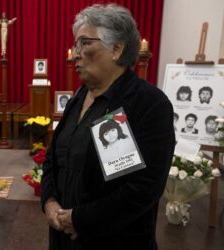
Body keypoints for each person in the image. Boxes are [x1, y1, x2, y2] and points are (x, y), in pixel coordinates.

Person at [41, 4, 175, 250]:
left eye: (84, 43)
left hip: (113, 241)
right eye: (75, 45)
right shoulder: (79, 98)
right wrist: (49, 200)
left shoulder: (149, 104)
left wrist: (80, 220)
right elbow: (53, 157)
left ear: (116, 48)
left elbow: (143, 188)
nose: (75, 53)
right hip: (63, 237)